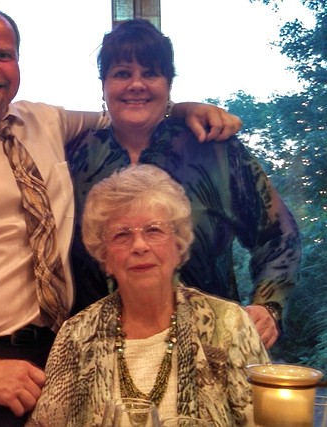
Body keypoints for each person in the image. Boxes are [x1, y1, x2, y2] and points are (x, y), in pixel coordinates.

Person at [0, 6, 242, 426]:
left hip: (62, 350)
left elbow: (122, 114)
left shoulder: (40, 120)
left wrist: (183, 107)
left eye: (3, 55)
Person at [67, 19, 301, 348]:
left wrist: (267, 304)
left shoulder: (215, 150)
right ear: (104, 84)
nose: (137, 84)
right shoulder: (73, 156)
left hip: (211, 351)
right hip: (97, 352)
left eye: (150, 73)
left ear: (169, 84)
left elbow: (279, 236)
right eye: (122, 73)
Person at [27, 164, 269, 427]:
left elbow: (266, 422)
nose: (139, 245)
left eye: (154, 230)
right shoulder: (76, 335)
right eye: (121, 234)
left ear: (178, 247)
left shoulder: (229, 325)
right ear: (105, 258)